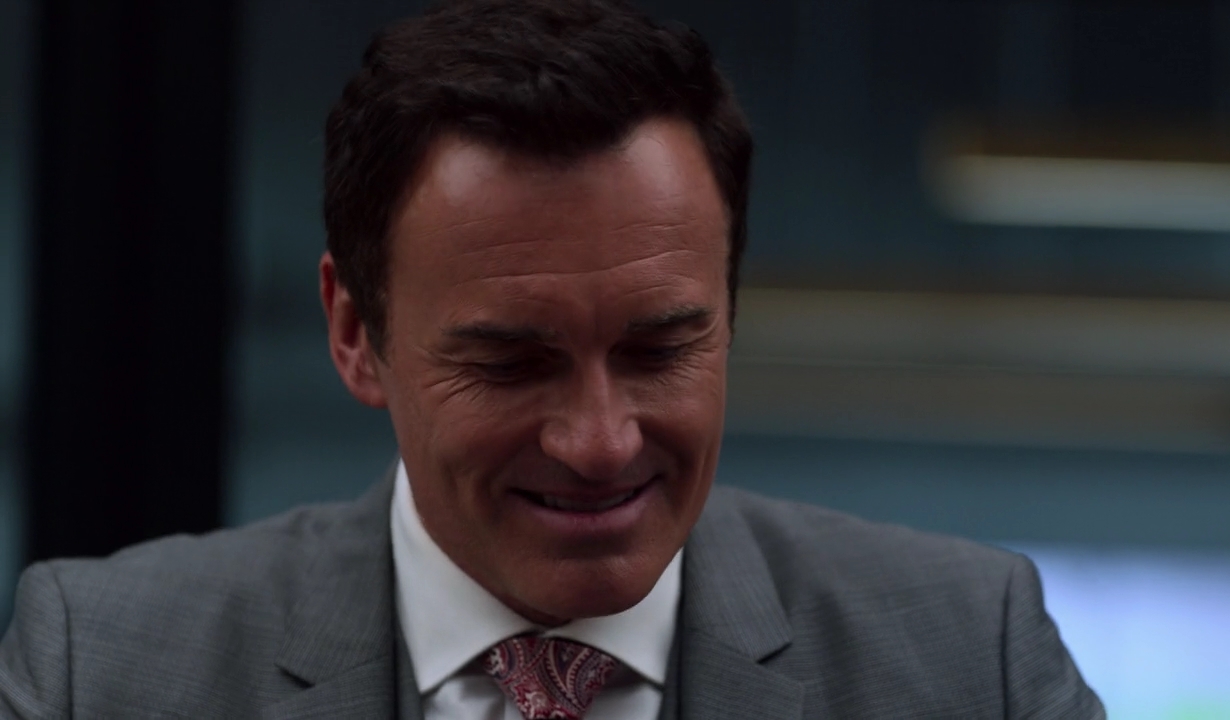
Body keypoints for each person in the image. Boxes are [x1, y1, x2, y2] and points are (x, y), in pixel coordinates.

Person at [0, 0, 1104, 717]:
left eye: (659, 348)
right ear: (354, 334)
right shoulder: (107, 671)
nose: (600, 442)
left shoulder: (969, 660)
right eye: (510, 363)